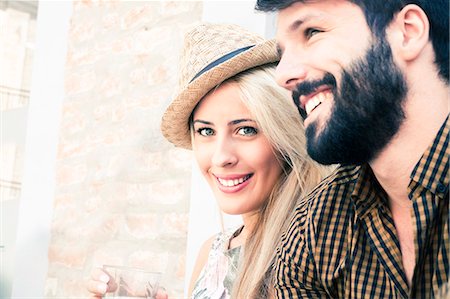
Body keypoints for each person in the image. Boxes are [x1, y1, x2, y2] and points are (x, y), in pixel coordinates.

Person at [87, 23, 330, 298]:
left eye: (246, 130)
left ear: (284, 134)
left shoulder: (318, 248)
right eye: (206, 131)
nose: (221, 156)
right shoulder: (212, 253)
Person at [254, 0, 449, 298]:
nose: (282, 76)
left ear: (408, 32)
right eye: (283, 54)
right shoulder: (317, 222)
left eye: (312, 32)